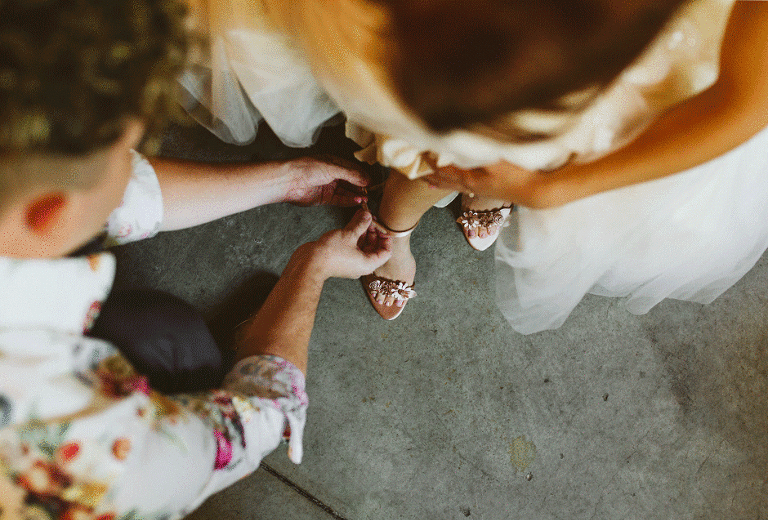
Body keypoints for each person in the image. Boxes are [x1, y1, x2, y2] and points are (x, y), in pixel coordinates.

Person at [0, 1, 392, 520]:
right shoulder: (73, 461)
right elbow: (258, 419)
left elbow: (111, 198)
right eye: (130, 153)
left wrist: (284, 179)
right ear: (50, 212)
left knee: (161, 327)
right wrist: (311, 269)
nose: (134, 168)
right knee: (179, 345)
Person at [181, 0, 768, 330]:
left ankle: (494, 187)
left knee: (523, 142)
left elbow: (747, 101)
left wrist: (554, 188)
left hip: (629, 65)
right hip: (438, 32)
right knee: (430, 149)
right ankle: (398, 227)